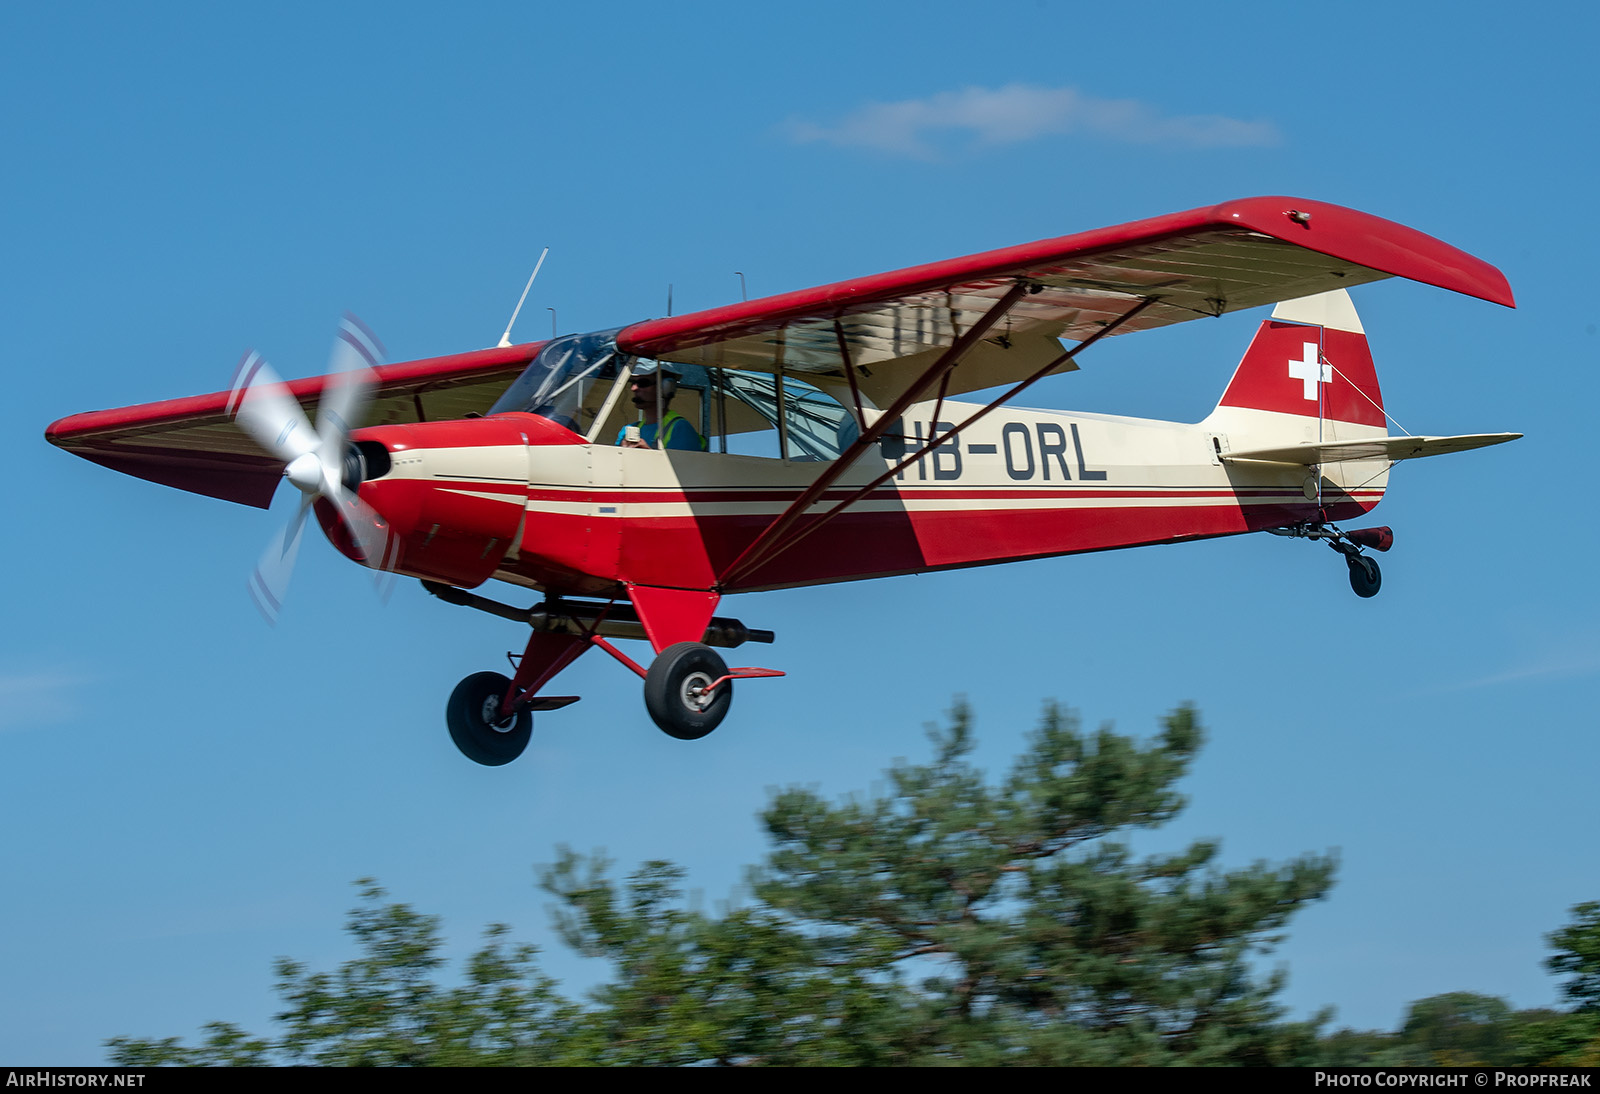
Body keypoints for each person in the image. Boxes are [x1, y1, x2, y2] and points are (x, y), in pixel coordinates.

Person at [616, 361, 705, 451]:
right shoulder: (626, 431)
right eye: (633, 383)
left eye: (643, 383)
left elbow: (685, 465)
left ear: (665, 387)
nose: (633, 388)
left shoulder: (681, 429)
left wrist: (648, 455)